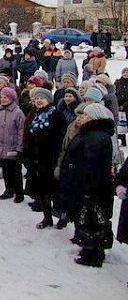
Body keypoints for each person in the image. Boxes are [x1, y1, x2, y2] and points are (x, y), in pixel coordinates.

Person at [62, 103, 114, 267]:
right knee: (88, 219)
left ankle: (93, 254)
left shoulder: (96, 137)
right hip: (87, 185)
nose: (81, 118)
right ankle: (89, 249)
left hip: (92, 187)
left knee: (92, 220)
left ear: (94, 118)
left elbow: (92, 165)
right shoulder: (90, 133)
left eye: (85, 115)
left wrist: (87, 186)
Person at [25, 88, 66, 229]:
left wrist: (57, 159)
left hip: (51, 159)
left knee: (55, 191)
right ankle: (47, 217)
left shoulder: (56, 115)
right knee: (42, 191)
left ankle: (61, 218)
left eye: (42, 98)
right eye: (36, 99)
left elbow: (60, 138)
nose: (39, 100)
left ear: (49, 100)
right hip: (36, 158)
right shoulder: (34, 114)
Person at [0, 87, 25, 202]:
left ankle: (19, 193)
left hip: (13, 147)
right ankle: (8, 190)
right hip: (0, 146)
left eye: (6, 97)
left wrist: (20, 147)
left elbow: (21, 131)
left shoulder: (18, 112)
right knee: (6, 170)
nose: (3, 99)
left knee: (15, 171)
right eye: (2, 97)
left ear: (12, 98)